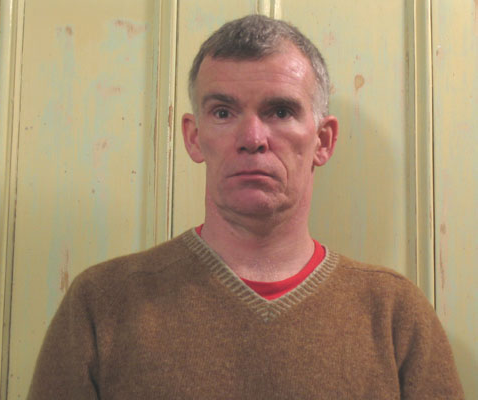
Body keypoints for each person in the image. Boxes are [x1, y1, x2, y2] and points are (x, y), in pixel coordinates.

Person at [28, 15, 464, 399]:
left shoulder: (394, 314)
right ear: (193, 137)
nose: (253, 138)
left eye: (280, 111)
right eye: (223, 112)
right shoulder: (101, 304)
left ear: (323, 141)